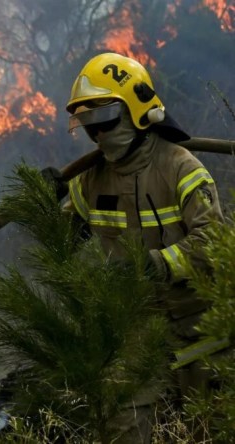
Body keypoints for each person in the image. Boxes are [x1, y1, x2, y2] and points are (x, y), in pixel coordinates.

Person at [44, 52, 226, 442]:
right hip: (139, 335)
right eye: (87, 125)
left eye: (103, 120)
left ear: (136, 110)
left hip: (203, 331)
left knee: (208, 431)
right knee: (124, 427)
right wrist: (42, 203)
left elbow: (214, 245)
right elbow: (63, 243)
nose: (98, 135)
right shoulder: (90, 181)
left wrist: (154, 265)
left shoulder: (182, 168)